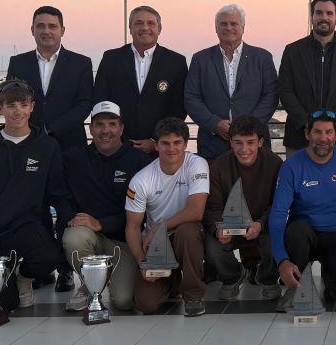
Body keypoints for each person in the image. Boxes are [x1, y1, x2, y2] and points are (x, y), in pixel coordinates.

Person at [0, 79, 74, 312]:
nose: (17, 111)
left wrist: (69, 218)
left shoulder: (47, 147)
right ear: (0, 108)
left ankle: (22, 277)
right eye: (11, 105)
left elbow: (58, 193)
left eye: (23, 104)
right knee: (4, 305)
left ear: (32, 107)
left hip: (29, 228)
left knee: (51, 258)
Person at [6, 5, 92, 291]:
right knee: (35, 207)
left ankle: (67, 269)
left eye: (52, 26)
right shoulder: (17, 62)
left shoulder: (81, 63)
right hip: (29, 148)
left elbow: (84, 105)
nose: (46, 31)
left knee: (67, 207)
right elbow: (13, 101)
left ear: (62, 31)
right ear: (32, 30)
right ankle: (42, 267)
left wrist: (50, 128)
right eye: (40, 26)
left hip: (69, 146)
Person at [62, 101, 152, 312]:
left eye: (112, 124)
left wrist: (101, 223)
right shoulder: (74, 158)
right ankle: (89, 285)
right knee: (74, 237)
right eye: (99, 124)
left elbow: (145, 213)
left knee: (123, 301)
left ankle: (107, 277)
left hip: (124, 240)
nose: (106, 130)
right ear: (91, 128)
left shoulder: (139, 161)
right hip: (88, 237)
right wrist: (71, 218)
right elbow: (61, 196)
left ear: (121, 128)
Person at [269, 111, 336, 311]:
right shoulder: (291, 166)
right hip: (304, 234)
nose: (323, 138)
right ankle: (295, 285)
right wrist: (282, 259)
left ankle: (331, 276)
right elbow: (278, 214)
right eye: (317, 132)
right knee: (296, 232)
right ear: (307, 134)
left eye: (329, 132)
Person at [125, 118, 210, 317]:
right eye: (165, 143)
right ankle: (172, 281)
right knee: (146, 304)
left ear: (186, 144)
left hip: (187, 236)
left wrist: (158, 227)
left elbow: (196, 211)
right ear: (156, 145)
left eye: (177, 143)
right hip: (157, 244)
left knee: (187, 231)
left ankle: (193, 297)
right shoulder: (141, 180)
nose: (171, 149)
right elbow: (132, 227)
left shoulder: (197, 164)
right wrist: (143, 263)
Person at [185, 4, 278, 163]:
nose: (229, 27)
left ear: (243, 27)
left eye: (233, 24)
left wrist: (248, 128)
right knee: (216, 188)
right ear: (216, 28)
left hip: (253, 144)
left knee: (256, 188)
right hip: (213, 145)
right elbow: (191, 97)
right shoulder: (200, 59)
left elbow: (271, 96)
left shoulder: (262, 58)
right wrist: (214, 124)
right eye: (223, 24)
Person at [204, 115, 283, 301]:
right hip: (230, 227)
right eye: (238, 142)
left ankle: (267, 278)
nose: (244, 149)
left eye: (250, 142)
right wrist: (218, 228)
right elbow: (212, 206)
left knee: (278, 236)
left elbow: (279, 205)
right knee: (212, 244)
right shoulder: (219, 166)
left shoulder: (275, 164)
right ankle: (232, 276)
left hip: (262, 226)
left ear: (261, 142)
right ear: (230, 142)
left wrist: (261, 224)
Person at [93, 6, 188, 153]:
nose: (145, 28)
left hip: (158, 149)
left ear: (159, 28)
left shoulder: (176, 62)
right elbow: (101, 99)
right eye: (138, 23)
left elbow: (178, 107)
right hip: (118, 147)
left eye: (150, 23)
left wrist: (156, 140)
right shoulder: (111, 58)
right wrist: (117, 138)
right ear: (130, 28)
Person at [278, 0, 336, 155]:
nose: (324, 17)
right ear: (312, 17)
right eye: (319, 13)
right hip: (299, 136)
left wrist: (330, 125)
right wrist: (308, 124)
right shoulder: (292, 51)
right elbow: (285, 90)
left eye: (329, 13)